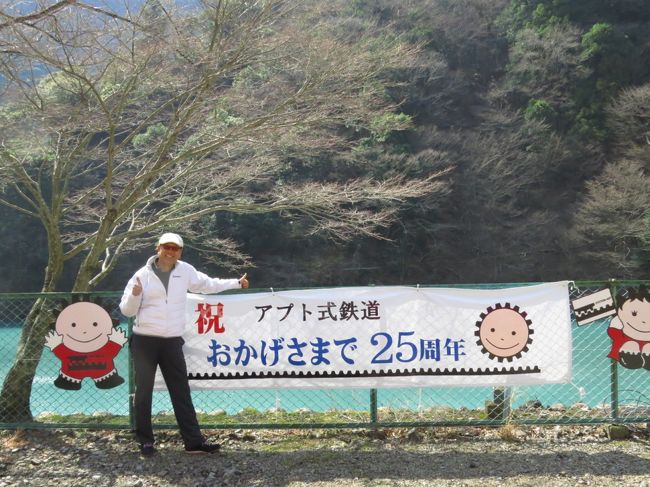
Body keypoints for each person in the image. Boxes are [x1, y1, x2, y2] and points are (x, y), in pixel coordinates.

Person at [119, 232, 249, 456]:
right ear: (157, 248)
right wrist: (135, 294)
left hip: (172, 341)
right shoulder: (141, 275)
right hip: (145, 342)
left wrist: (236, 283)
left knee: (181, 391)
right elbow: (127, 311)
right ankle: (146, 442)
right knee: (144, 393)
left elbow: (207, 285)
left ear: (180, 251)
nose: (170, 252)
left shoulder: (185, 270)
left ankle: (193, 442)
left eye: (175, 248)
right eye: (166, 247)